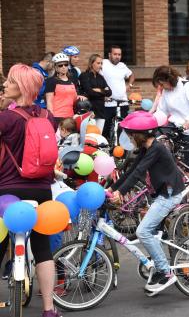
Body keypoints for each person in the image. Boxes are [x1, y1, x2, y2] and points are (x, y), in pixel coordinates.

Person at [0, 64, 61, 317]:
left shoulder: (5, 118)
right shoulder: (48, 117)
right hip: (41, 191)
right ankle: (49, 308)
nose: (4, 85)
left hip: (8, 190)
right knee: (43, 247)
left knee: (1, 243)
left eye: (10, 81)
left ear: (21, 87)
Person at [107, 111, 184, 294]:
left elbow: (139, 172)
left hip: (169, 194)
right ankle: (159, 265)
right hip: (161, 193)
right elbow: (130, 170)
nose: (129, 139)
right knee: (151, 232)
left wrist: (120, 192)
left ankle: (166, 273)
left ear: (138, 135)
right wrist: (111, 189)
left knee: (143, 231)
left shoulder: (156, 149)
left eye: (131, 135)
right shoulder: (147, 148)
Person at [152, 66, 189, 168]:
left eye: (162, 84)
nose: (161, 87)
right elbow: (162, 111)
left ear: (169, 80)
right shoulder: (166, 91)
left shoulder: (187, 86)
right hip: (174, 126)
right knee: (154, 143)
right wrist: (151, 121)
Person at [101, 46, 134, 139]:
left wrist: (129, 85)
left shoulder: (122, 66)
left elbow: (131, 75)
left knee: (123, 127)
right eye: (115, 54)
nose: (117, 56)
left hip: (123, 102)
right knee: (106, 128)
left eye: (119, 54)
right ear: (109, 55)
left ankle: (122, 149)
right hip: (108, 103)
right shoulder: (103, 63)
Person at [79, 54, 112, 133]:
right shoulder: (84, 75)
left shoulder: (101, 77)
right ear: (91, 63)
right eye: (98, 63)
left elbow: (109, 92)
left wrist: (98, 90)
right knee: (90, 136)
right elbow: (89, 92)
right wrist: (102, 93)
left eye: (101, 63)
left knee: (98, 136)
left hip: (101, 111)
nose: (100, 65)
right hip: (90, 111)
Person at [45, 53, 79, 124]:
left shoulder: (72, 80)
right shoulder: (51, 81)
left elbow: (74, 99)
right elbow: (49, 102)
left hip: (70, 117)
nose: (64, 67)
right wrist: (51, 118)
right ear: (55, 67)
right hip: (57, 117)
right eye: (60, 65)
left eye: (66, 65)